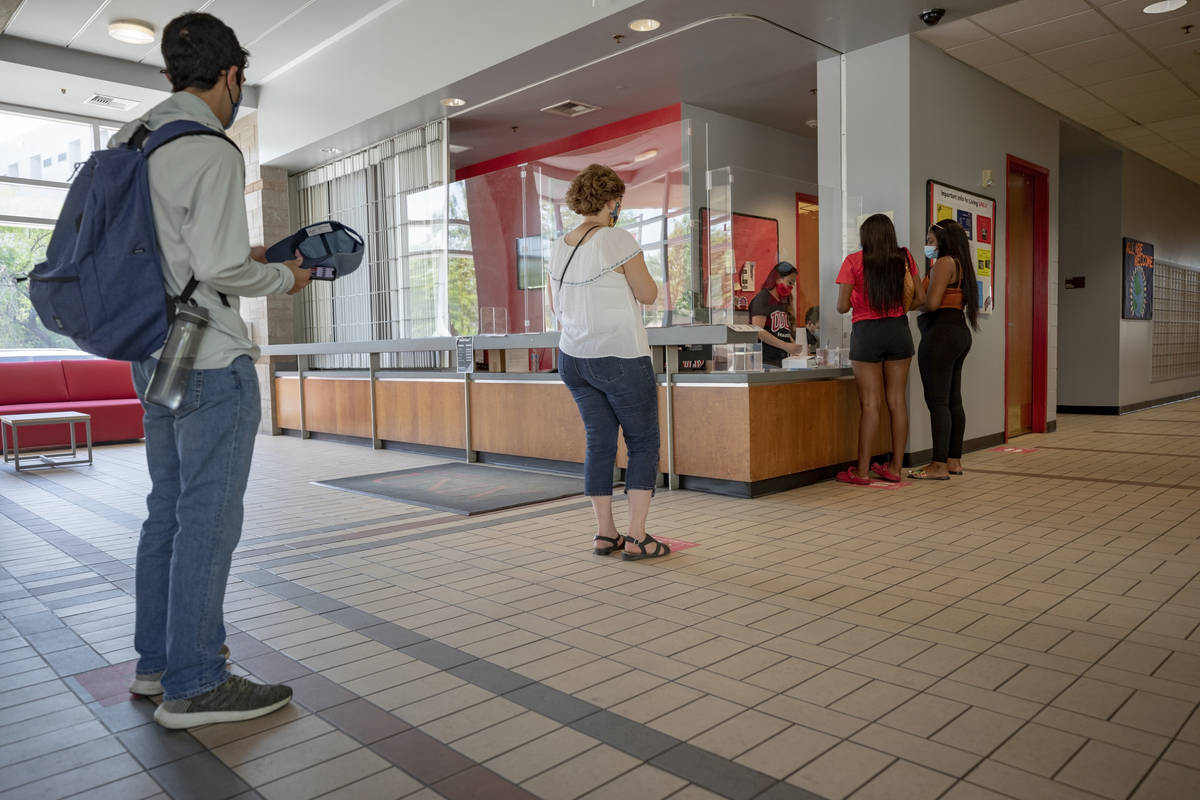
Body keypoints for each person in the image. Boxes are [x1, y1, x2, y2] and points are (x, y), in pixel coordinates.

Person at [119, 12, 312, 729]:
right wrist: (289, 279)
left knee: (166, 511)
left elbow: (182, 254)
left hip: (152, 354)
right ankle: (197, 683)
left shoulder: (134, 139)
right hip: (209, 357)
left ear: (173, 73)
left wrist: (250, 260)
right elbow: (221, 267)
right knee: (208, 517)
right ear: (231, 74)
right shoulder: (211, 147)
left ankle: (156, 664)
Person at [550, 164, 669, 560]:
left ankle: (605, 534)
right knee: (642, 442)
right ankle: (637, 537)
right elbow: (648, 294)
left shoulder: (560, 244)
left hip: (573, 358)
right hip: (619, 355)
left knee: (599, 443)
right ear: (613, 200)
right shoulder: (616, 238)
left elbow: (556, 306)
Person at [835, 214, 925, 485]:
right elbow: (920, 298)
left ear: (865, 237)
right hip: (898, 330)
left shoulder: (853, 261)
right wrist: (895, 310)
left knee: (870, 405)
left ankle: (862, 472)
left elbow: (841, 306)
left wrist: (862, 303)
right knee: (897, 401)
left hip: (867, 334)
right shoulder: (905, 258)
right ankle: (895, 469)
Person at [909, 220, 980, 480]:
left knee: (937, 402)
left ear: (943, 240)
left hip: (940, 334)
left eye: (930, 240)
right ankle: (953, 460)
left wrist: (910, 304)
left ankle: (937, 465)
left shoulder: (944, 263)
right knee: (953, 400)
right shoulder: (961, 264)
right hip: (958, 333)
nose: (927, 246)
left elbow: (932, 303)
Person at [749, 261, 805, 367]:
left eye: (793, 284)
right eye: (789, 283)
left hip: (782, 360)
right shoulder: (763, 298)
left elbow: (783, 330)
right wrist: (785, 345)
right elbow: (758, 331)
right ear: (777, 278)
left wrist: (794, 345)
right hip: (766, 360)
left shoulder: (782, 301)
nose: (791, 287)